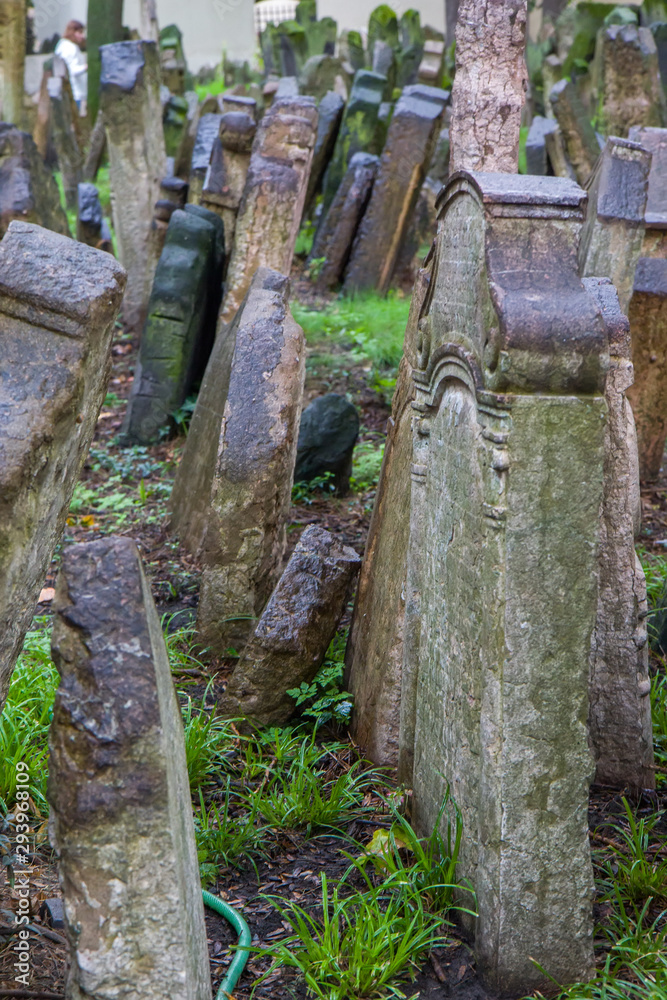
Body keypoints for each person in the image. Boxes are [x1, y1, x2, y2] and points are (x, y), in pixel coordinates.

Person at [55, 20, 88, 112]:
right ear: (72, 32)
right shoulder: (71, 48)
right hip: (75, 92)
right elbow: (73, 70)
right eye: (80, 32)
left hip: (64, 92)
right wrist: (86, 67)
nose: (82, 36)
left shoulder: (61, 45)